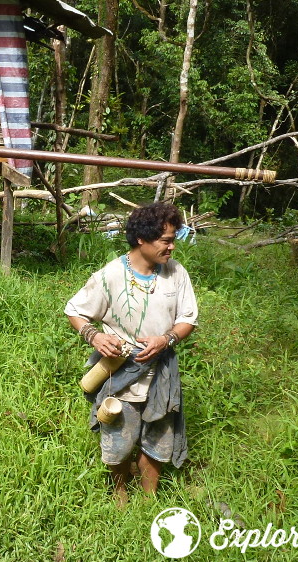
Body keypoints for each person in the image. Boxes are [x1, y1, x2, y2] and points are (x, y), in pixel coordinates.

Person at [64, 202, 198, 503]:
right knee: (118, 439)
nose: (172, 247)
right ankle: (119, 490)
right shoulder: (110, 276)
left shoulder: (176, 273)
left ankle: (149, 495)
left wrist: (166, 339)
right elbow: (75, 310)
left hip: (161, 372)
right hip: (120, 372)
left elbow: (188, 318)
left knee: (161, 435)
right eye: (166, 240)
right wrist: (94, 335)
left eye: (173, 239)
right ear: (142, 239)